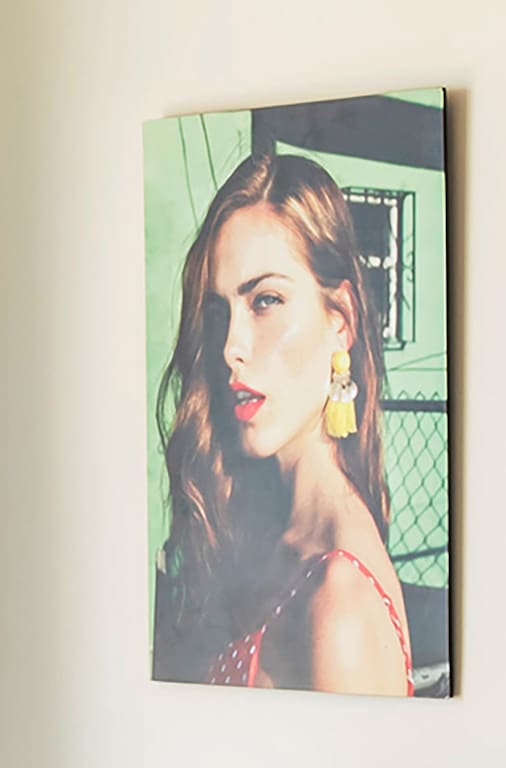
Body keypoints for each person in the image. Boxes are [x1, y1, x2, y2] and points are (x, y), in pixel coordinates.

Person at [152, 152, 413, 696]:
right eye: (220, 312)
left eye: (266, 300)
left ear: (339, 321)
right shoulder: (267, 529)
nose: (230, 348)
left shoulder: (339, 604)